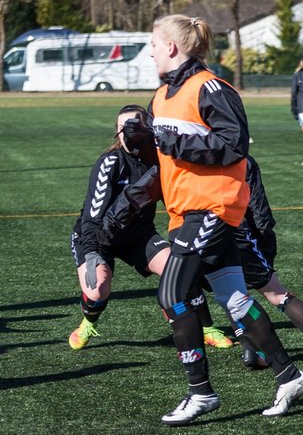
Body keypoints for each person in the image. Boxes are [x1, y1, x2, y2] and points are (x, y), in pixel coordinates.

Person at [125, 14, 303, 424]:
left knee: (171, 295)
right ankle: (289, 374)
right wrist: (141, 158)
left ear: (172, 47)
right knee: (235, 300)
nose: (151, 51)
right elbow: (167, 157)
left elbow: (233, 145)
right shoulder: (160, 97)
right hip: (184, 211)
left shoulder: (210, 87)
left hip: (212, 207)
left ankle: (201, 393)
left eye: (154, 43)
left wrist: (168, 139)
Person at [103, 154, 303, 373]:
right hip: (233, 232)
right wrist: (266, 245)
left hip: (187, 238)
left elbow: (138, 194)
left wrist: (107, 226)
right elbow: (259, 209)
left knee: (229, 295)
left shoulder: (172, 160)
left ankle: (250, 351)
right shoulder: (237, 158)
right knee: (276, 293)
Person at [68, 105, 233, 352]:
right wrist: (91, 251)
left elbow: (176, 201)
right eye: (123, 128)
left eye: (135, 127)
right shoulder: (110, 162)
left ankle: (206, 328)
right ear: (116, 132)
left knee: (179, 269)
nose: (128, 133)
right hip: (98, 236)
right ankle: (87, 323)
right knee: (98, 289)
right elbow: (92, 214)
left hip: (138, 235)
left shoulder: (160, 161)